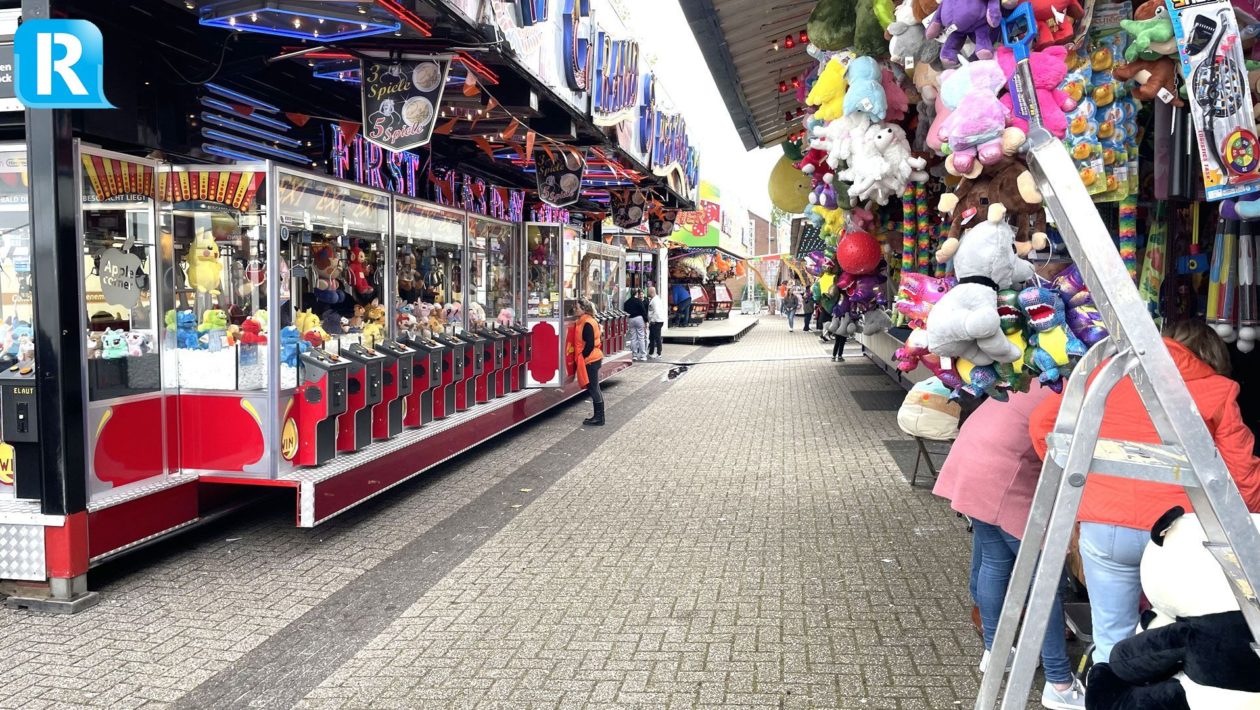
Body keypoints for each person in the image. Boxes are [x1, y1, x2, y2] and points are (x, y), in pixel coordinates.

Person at [1029, 319, 1260, 663]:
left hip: (1104, 522)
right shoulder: (1218, 389)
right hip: (1180, 532)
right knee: (1174, 637)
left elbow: (1044, 424)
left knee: (1110, 636)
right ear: (1211, 356)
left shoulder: (1107, 374)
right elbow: (1243, 473)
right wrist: (1248, 528)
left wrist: (1078, 481)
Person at [934, 387, 1085, 710]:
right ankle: (1059, 682)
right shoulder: (1078, 391)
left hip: (973, 462)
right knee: (1045, 582)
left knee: (995, 561)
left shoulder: (1036, 380)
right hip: (1006, 475)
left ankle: (996, 653)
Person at [570, 298, 605, 426]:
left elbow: (589, 344)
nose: (575, 310)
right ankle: (599, 417)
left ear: (584, 309)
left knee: (593, 388)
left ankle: (599, 418)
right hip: (593, 358)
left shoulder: (587, 323)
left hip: (591, 359)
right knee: (595, 387)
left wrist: (582, 357)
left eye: (577, 308)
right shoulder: (586, 321)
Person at [623, 288, 648, 362]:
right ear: (636, 293)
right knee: (641, 337)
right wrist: (646, 321)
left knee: (633, 337)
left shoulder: (626, 302)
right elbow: (643, 311)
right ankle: (643, 355)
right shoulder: (639, 301)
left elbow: (625, 311)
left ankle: (634, 355)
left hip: (630, 319)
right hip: (639, 318)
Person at [647, 286, 666, 360]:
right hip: (656, 321)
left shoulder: (655, 301)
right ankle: (651, 352)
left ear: (651, 292)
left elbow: (656, 312)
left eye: (648, 291)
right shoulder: (655, 299)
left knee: (657, 337)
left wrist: (652, 321)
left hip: (656, 322)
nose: (648, 293)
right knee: (651, 337)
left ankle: (659, 353)